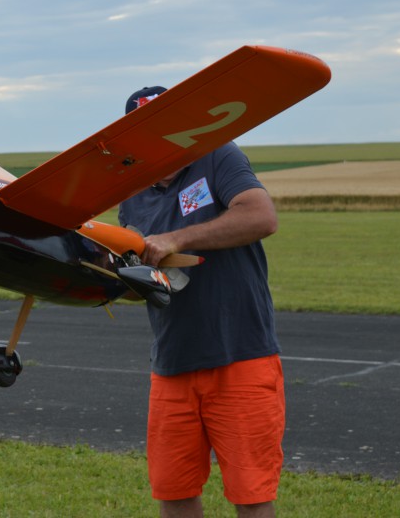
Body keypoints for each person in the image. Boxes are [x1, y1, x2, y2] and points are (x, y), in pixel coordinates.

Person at [118, 86, 285, 518]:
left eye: (166, 126)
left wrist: (177, 237)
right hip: (172, 364)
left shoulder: (217, 156)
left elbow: (261, 215)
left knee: (251, 496)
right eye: (145, 131)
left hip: (241, 358)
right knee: (173, 492)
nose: (159, 138)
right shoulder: (131, 193)